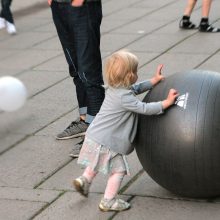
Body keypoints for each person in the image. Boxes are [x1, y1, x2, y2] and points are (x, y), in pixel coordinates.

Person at [73, 50, 179, 212]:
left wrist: (153, 81)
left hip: (96, 136)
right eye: (135, 71)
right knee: (118, 170)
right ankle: (108, 201)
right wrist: (167, 102)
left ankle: (85, 179)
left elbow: (135, 88)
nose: (137, 74)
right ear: (129, 75)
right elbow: (144, 108)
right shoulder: (124, 98)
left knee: (97, 160)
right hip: (107, 141)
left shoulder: (116, 90)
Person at [48, 0, 105, 157]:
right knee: (75, 67)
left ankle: (97, 134)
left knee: (89, 71)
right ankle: (85, 119)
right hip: (59, 6)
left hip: (83, 6)